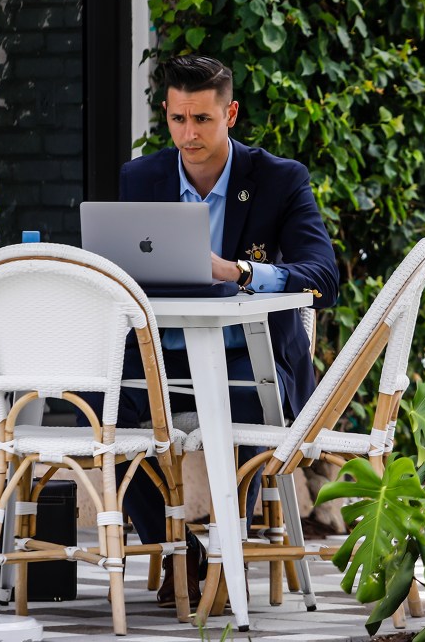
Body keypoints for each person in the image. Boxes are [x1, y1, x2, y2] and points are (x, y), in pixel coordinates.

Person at [112, 54, 338, 605]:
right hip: (161, 350)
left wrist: (237, 271)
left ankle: (224, 554)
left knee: (241, 408)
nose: (188, 135)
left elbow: (324, 278)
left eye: (203, 120)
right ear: (165, 113)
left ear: (230, 113)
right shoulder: (141, 178)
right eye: (178, 119)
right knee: (98, 403)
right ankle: (177, 550)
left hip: (247, 355)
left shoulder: (278, 180)